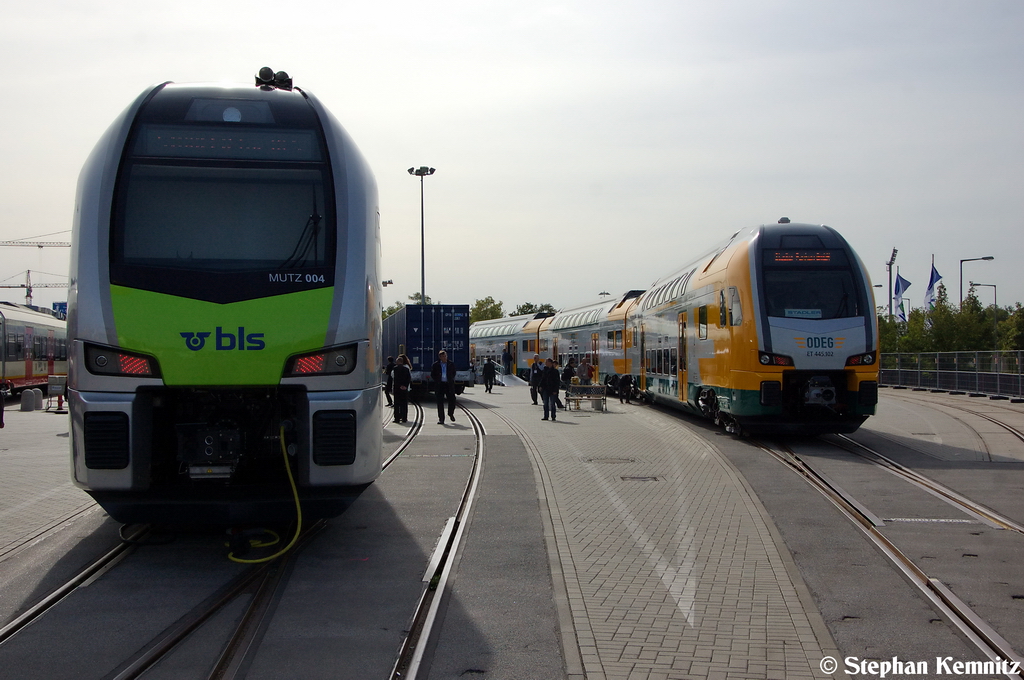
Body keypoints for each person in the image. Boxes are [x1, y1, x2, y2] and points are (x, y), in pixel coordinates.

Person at [430, 349, 458, 424]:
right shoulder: (436, 365)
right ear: (440, 357)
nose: (444, 358)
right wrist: (437, 379)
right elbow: (432, 374)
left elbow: (454, 372)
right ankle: (441, 419)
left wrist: (450, 378)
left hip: (448, 384)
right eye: (442, 356)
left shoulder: (450, 364)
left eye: (445, 356)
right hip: (440, 385)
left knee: (452, 400)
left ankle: (450, 413)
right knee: (440, 402)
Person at [393, 354, 412, 422]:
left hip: (397, 389)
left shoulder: (395, 369)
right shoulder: (406, 369)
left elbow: (394, 378)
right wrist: (405, 386)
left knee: (397, 404)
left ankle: (397, 418)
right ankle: (404, 418)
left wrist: (399, 386)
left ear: (398, 362)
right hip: (404, 389)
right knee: (404, 404)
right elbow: (409, 378)